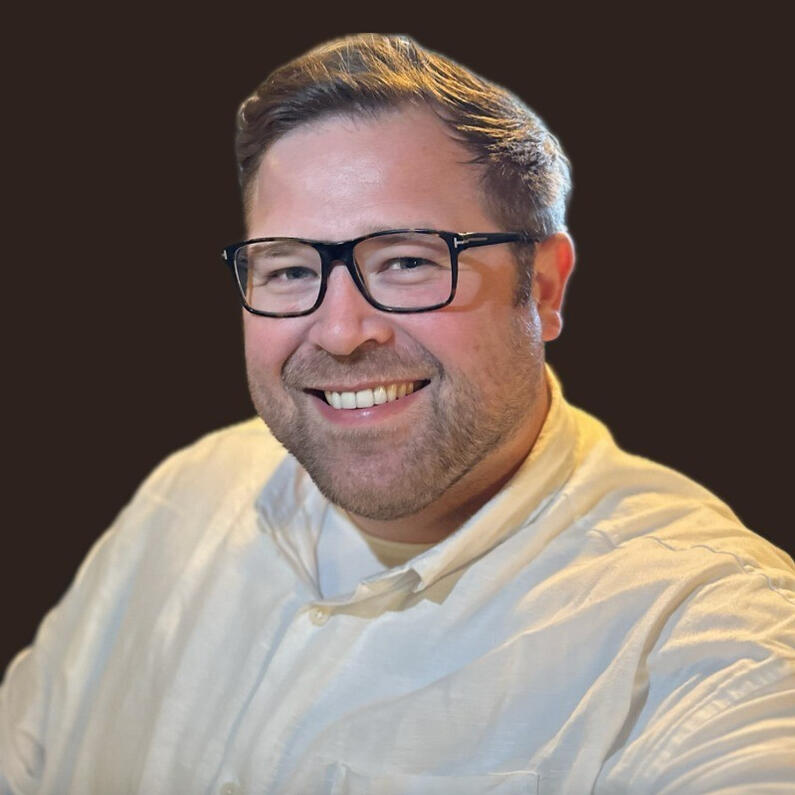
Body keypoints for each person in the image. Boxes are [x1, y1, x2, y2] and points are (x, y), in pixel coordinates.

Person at [1, 33, 793, 794]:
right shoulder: (190, 491)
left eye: (408, 261)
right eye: (288, 269)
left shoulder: (711, 631)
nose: (341, 332)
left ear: (545, 286)